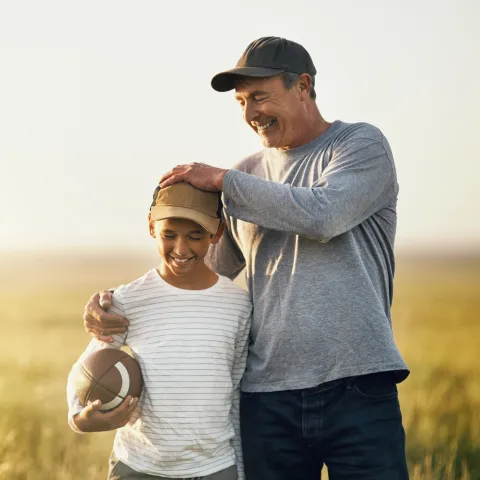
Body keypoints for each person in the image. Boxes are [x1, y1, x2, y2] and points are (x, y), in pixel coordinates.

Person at [84, 36, 410, 479]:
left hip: (357, 387)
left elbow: (324, 215)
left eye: (260, 96)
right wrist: (115, 306)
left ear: (303, 86)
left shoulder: (358, 145)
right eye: (241, 102)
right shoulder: (247, 175)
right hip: (267, 398)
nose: (250, 113)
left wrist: (222, 180)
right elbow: (200, 270)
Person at [67, 182, 252, 480]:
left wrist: (239, 471)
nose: (181, 248)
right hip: (139, 467)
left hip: (215, 467)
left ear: (216, 233)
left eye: (195, 236)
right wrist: (80, 418)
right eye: (169, 235)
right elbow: (86, 368)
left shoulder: (238, 305)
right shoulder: (127, 300)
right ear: (152, 227)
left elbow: (234, 393)